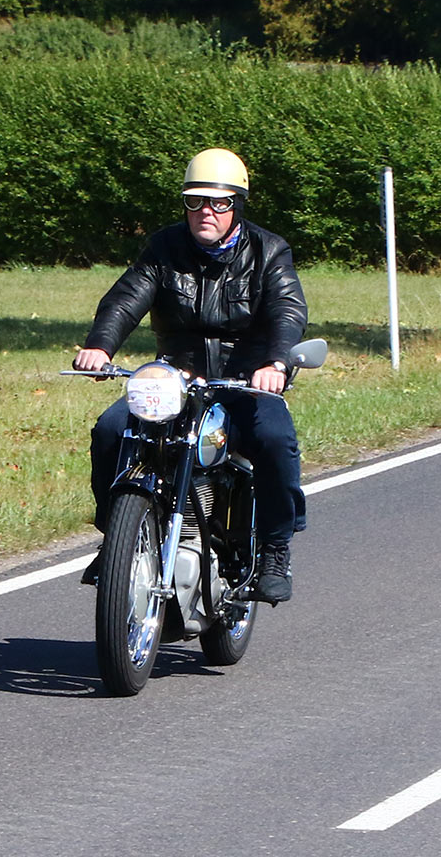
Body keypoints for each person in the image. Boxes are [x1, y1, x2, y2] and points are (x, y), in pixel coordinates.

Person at [73, 148, 309, 603]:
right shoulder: (164, 247)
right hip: (175, 383)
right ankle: (117, 540)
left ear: (237, 206)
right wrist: (100, 346)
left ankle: (275, 549)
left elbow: (288, 309)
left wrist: (275, 364)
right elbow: (126, 298)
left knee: (276, 441)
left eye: (219, 203)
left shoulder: (268, 250)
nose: (206, 212)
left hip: (244, 383)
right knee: (109, 431)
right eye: (196, 201)